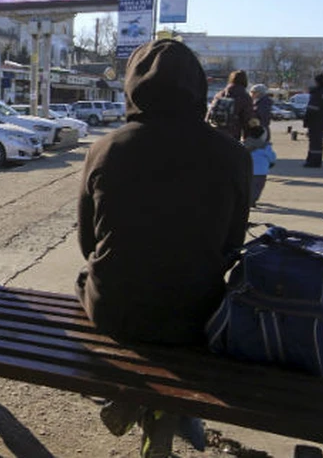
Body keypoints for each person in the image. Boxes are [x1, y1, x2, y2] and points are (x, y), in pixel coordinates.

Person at [76, 39, 251, 457]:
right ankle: (165, 411)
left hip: (117, 311)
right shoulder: (232, 155)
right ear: (198, 89)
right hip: (197, 318)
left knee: (89, 277)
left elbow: (88, 243)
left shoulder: (106, 149)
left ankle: (142, 401)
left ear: (132, 86)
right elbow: (232, 245)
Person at [207, 70, 254, 141]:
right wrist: (247, 138)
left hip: (215, 133)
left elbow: (209, 114)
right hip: (232, 135)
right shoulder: (245, 97)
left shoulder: (220, 94)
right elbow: (247, 119)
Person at [302, 73, 323, 168]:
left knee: (314, 141)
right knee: (318, 140)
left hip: (315, 120)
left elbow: (312, 108)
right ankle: (316, 160)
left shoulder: (318, 93)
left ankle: (313, 161)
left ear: (318, 82)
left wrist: (306, 120)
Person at [244, 120, 276, 207]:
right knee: (258, 187)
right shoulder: (265, 147)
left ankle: (247, 199)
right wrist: (272, 162)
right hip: (261, 171)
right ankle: (253, 200)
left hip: (248, 170)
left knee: (249, 186)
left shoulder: (245, 145)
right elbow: (271, 156)